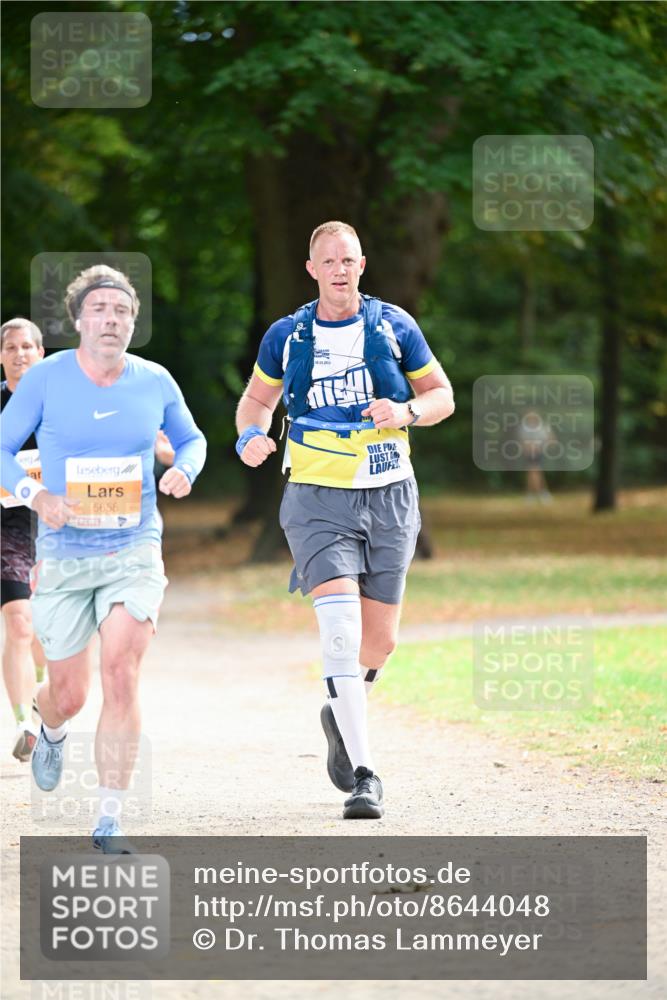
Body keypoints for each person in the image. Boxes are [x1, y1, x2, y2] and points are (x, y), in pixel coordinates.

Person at [236, 221, 454, 820]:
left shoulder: (394, 326)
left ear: (362, 265)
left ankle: (340, 708)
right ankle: (365, 775)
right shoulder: (287, 336)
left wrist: (406, 411)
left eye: (348, 260)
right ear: (312, 269)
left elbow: (442, 395)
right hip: (316, 500)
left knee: (379, 642)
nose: (339, 269)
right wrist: (250, 436)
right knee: (338, 631)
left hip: (389, 495)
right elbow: (256, 401)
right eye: (328, 260)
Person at [0, 265, 206, 851]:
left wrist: (185, 470)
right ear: (78, 320)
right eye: (99, 309)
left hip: (133, 547)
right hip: (64, 553)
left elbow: (191, 439)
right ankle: (50, 724)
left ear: (132, 322)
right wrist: (36, 495)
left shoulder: (155, 380)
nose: (110, 319)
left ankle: (109, 819)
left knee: (120, 670)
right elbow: (2, 447)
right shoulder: (45, 379)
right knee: (70, 694)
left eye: (121, 311)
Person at [1, 318, 46, 761]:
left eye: (27, 346)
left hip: (54, 527)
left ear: (41, 353)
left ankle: (43, 701)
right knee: (19, 621)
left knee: (46, 631)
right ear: (1, 356)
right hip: (6, 528)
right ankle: (23, 725)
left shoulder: (59, 404)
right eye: (11, 347)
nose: (19, 354)